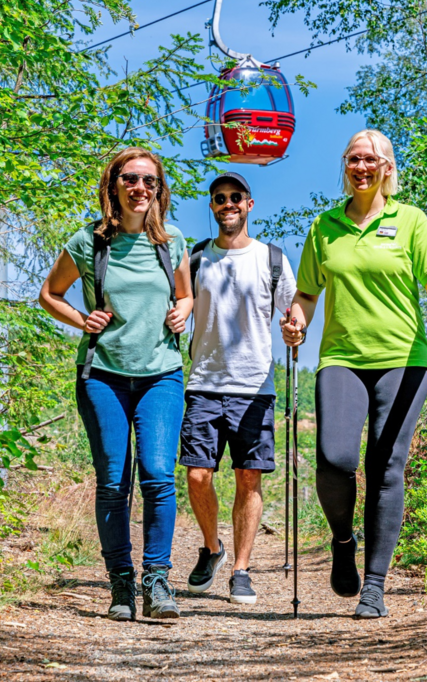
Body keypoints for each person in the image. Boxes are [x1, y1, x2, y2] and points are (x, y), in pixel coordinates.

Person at [282, 129, 427, 619]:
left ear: (387, 167)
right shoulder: (325, 225)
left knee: (386, 467)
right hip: (341, 357)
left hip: (404, 359)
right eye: (353, 158)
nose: (361, 166)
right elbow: (308, 292)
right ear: (346, 165)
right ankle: (342, 539)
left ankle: (374, 586)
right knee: (335, 460)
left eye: (371, 159)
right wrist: (297, 319)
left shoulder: (411, 221)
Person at [39, 147, 193, 622]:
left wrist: (183, 312)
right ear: (114, 186)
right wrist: (83, 320)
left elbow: (186, 295)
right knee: (113, 481)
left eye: (149, 181)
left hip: (161, 374)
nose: (140, 188)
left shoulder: (173, 240)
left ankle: (157, 581)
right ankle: (121, 585)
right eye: (130, 179)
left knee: (158, 476)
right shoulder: (89, 242)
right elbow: (49, 294)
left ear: (159, 189)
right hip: (103, 375)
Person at [180, 172, 296, 605]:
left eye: (235, 197)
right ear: (212, 207)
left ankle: (241, 570)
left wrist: (294, 329)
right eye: (219, 198)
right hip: (203, 382)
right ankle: (213, 549)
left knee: (249, 480)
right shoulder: (195, 259)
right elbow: (178, 306)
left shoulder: (272, 259)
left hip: (255, 385)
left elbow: (294, 309)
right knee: (197, 475)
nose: (227, 203)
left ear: (249, 205)